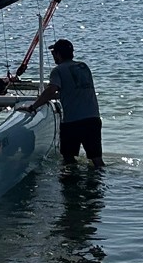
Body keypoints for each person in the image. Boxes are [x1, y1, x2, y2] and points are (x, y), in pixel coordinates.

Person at [23, 38, 104, 169]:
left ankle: (70, 185)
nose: (53, 56)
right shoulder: (83, 67)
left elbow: (51, 90)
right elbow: (75, 90)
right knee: (97, 160)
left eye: (54, 53)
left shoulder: (58, 70)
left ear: (59, 54)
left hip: (73, 122)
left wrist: (33, 107)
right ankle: (100, 184)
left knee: (68, 158)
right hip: (93, 119)